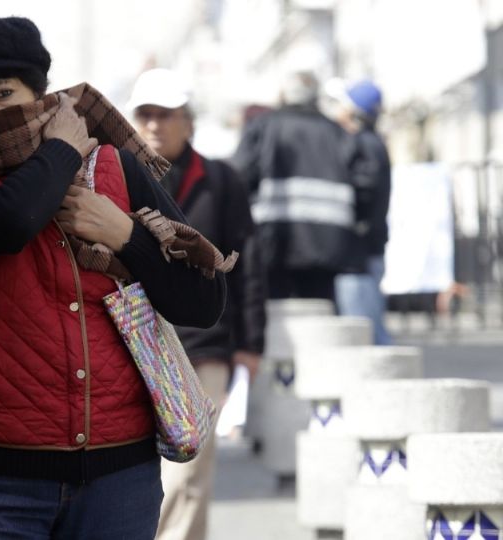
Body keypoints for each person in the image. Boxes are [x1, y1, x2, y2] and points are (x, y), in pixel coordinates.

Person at [0, 15, 229, 539]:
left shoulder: (117, 171)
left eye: (4, 92)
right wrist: (64, 148)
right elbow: (12, 219)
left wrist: (126, 235)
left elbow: (203, 300)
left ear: (39, 94)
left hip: (118, 477)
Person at [127, 68, 266, 540]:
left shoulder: (222, 181)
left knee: (188, 473)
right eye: (144, 114)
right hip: (134, 343)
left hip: (205, 348)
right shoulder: (115, 178)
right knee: (137, 471)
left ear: (188, 122)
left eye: (165, 115)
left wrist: (250, 345)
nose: (153, 125)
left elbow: (248, 268)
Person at [232, 71, 368, 304]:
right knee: (321, 311)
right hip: (328, 242)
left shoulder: (263, 127)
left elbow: (240, 175)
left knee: (275, 315)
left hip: (273, 240)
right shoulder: (339, 133)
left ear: (285, 94)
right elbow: (365, 184)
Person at [329, 80, 392, 345]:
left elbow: (363, 192)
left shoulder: (364, 144)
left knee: (365, 333)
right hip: (366, 251)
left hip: (360, 254)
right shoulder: (371, 143)